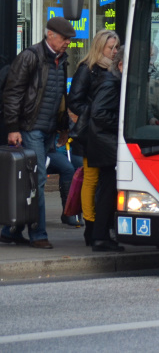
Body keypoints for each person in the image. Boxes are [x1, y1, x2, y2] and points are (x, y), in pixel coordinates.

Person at [1, 16, 76, 249]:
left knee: (36, 180)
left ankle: (10, 230)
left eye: (70, 40)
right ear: (50, 35)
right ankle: (38, 234)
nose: (68, 43)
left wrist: (63, 128)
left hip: (48, 131)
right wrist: (13, 128)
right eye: (65, 39)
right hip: (31, 129)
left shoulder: (61, 60)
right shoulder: (31, 57)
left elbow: (60, 96)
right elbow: (12, 94)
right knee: (38, 181)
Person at [67, 28, 119, 246]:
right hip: (90, 132)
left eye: (117, 47)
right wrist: (93, 112)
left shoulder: (113, 70)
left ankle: (99, 226)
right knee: (90, 179)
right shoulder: (87, 69)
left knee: (101, 180)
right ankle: (90, 226)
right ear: (100, 47)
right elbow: (74, 101)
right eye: (111, 47)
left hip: (103, 132)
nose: (115, 51)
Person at [87, 44, 126, 252]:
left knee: (107, 190)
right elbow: (99, 114)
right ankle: (100, 236)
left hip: (103, 142)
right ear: (120, 65)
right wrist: (123, 124)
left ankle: (100, 234)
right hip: (105, 143)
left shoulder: (110, 80)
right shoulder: (111, 84)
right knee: (107, 190)